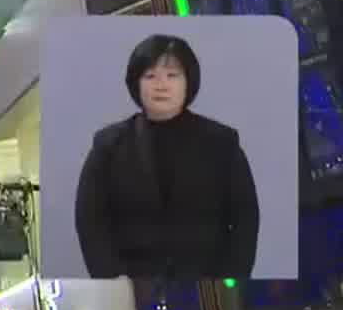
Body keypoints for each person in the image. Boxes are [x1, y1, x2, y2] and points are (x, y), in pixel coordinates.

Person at [74, 33, 261, 279]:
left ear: (189, 81)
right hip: (133, 285)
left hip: (207, 281)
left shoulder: (221, 142)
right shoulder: (108, 146)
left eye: (172, 75)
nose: (161, 85)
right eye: (150, 76)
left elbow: (245, 219)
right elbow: (90, 221)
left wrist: (228, 279)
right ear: (136, 84)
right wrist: (114, 281)